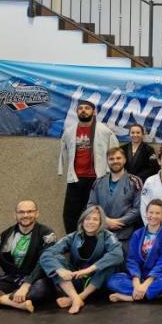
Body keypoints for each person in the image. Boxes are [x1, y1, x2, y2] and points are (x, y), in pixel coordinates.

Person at [40, 205, 124, 314]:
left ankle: (79, 298)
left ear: (100, 222)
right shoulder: (73, 236)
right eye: (87, 219)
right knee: (54, 261)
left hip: (98, 282)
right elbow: (47, 254)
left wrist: (88, 270)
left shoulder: (108, 236)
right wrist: (60, 270)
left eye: (95, 219)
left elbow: (118, 254)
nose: (91, 222)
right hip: (77, 280)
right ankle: (75, 298)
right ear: (82, 221)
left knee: (110, 263)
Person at [0, 200, 56, 313]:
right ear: (15, 215)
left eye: (30, 211)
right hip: (12, 278)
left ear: (37, 213)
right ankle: (12, 302)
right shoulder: (5, 235)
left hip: (35, 279)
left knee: (41, 289)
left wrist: (26, 285)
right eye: (21, 212)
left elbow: (43, 263)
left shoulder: (46, 234)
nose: (25, 215)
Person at [59, 99, 119, 234]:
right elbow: (64, 151)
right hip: (76, 179)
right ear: (76, 111)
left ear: (94, 112)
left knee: (96, 213)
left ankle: (94, 240)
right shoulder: (69, 131)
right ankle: (73, 239)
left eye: (87, 108)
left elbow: (115, 153)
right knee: (70, 214)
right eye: (80, 108)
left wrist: (111, 175)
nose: (83, 111)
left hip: (96, 180)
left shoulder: (104, 131)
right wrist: (62, 170)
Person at [107, 199, 162, 302]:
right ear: (146, 214)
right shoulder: (137, 234)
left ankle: (130, 297)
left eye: (157, 213)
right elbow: (132, 260)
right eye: (151, 212)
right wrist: (136, 283)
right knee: (112, 280)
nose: (153, 216)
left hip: (157, 277)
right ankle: (155, 295)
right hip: (138, 276)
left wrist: (146, 283)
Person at [87, 147, 142, 248]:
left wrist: (119, 222)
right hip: (101, 233)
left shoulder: (134, 181)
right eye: (111, 159)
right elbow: (91, 205)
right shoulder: (98, 182)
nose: (115, 161)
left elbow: (138, 208)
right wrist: (105, 220)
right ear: (107, 161)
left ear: (124, 160)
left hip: (124, 236)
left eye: (118, 158)